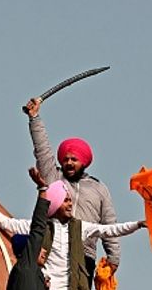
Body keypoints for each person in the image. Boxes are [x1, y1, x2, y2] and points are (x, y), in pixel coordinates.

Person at [0, 170, 146, 290]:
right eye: (66, 200)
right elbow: (6, 223)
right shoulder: (40, 228)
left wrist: (138, 224)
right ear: (56, 203)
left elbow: (110, 230)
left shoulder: (80, 228)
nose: (70, 204)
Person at [23, 97, 120, 285]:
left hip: (84, 257)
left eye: (74, 159)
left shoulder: (99, 189)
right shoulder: (54, 178)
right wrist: (34, 118)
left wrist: (113, 258)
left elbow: (109, 225)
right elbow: (42, 150)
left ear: (83, 162)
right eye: (66, 159)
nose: (68, 163)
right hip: (50, 251)